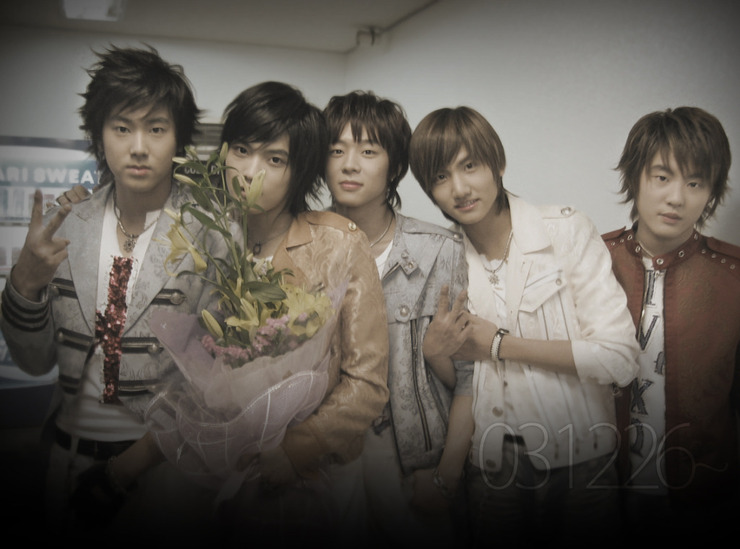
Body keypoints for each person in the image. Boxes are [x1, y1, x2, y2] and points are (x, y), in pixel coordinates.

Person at [0, 45, 225, 541]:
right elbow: (35, 363)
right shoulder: (66, 225)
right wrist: (25, 285)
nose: (138, 147)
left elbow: (215, 382)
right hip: (65, 458)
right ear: (99, 137)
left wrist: (128, 471)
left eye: (156, 129)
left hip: (163, 473)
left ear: (179, 139)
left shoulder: (212, 235)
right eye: (122, 128)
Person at [408, 106, 640, 547]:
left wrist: (499, 344)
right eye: (440, 176)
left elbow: (620, 359)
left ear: (498, 163)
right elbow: (462, 382)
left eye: (470, 166)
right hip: (491, 466)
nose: (459, 188)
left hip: (581, 461)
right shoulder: (444, 259)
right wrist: (435, 353)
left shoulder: (564, 231)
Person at [214, 82, 390, 544]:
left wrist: (295, 450)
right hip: (227, 468)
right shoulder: (209, 241)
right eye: (241, 150)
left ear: (301, 171)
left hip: (320, 474)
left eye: (275, 159)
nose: (251, 172)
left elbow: (368, 384)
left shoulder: (338, 244)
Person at [322, 91, 471, 545]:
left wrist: (445, 477)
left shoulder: (439, 250)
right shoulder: (303, 245)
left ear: (395, 166)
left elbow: (470, 378)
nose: (350, 165)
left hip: (411, 460)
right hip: (323, 456)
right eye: (336, 150)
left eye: (368, 151)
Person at [603, 106, 740, 542]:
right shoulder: (593, 261)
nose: (677, 197)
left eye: (695, 183)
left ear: (712, 191)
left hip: (705, 499)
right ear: (635, 177)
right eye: (662, 177)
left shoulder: (733, 276)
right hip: (599, 491)